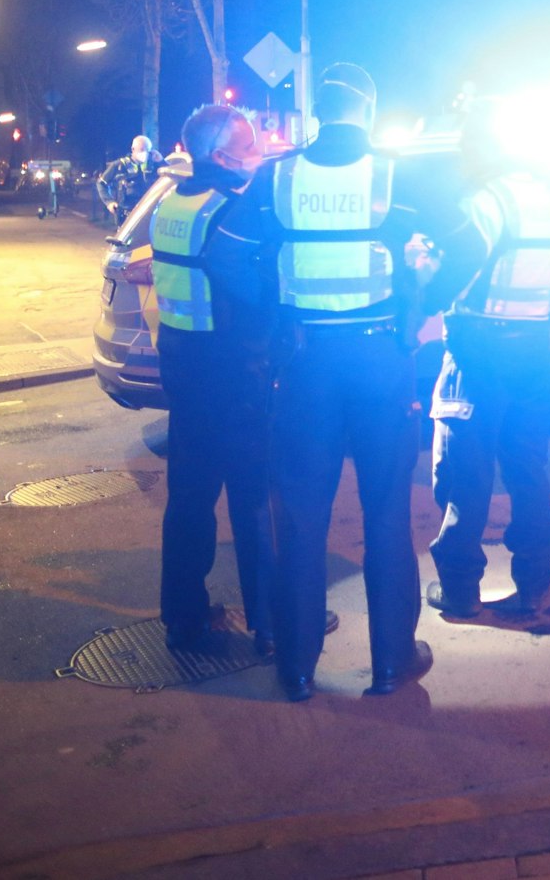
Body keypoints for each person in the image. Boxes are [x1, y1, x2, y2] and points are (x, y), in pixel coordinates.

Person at [248, 63, 429, 701]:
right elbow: (453, 247)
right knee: (385, 513)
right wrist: (415, 313)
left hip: (304, 363)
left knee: (299, 518)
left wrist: (269, 328)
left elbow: (240, 257)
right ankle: (390, 663)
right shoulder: (395, 175)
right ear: (369, 112)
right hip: (380, 359)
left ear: (317, 111)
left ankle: (296, 670)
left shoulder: (278, 175)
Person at [421, 105, 550, 620]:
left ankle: (460, 591)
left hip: (480, 350)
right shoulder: (546, 198)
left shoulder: (488, 199)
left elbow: (460, 263)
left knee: (465, 472)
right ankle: (533, 582)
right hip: (533, 349)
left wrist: (425, 279)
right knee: (528, 469)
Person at [150, 105, 279, 653]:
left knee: (189, 497)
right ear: (221, 155)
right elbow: (255, 290)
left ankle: (183, 615)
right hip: (228, 369)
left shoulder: (171, 204)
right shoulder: (232, 209)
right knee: (254, 499)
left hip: (183, 364)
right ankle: (274, 622)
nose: (260, 148)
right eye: (249, 142)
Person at [98, 135, 162, 226]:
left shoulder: (153, 167)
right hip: (126, 215)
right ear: (133, 149)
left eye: (147, 150)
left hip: (148, 214)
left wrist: (161, 161)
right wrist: (109, 202)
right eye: (142, 149)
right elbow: (101, 183)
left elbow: (170, 177)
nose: (144, 153)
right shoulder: (120, 165)